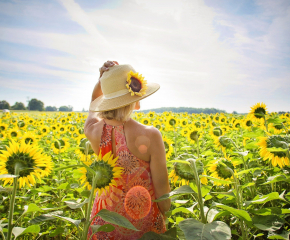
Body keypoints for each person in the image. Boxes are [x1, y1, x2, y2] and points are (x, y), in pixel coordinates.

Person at [84, 60, 171, 239]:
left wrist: (102, 81)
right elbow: (162, 187)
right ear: (135, 100)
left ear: (106, 100)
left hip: (104, 223)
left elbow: (92, 107)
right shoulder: (151, 135)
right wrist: (166, 216)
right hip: (142, 223)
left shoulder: (93, 131)